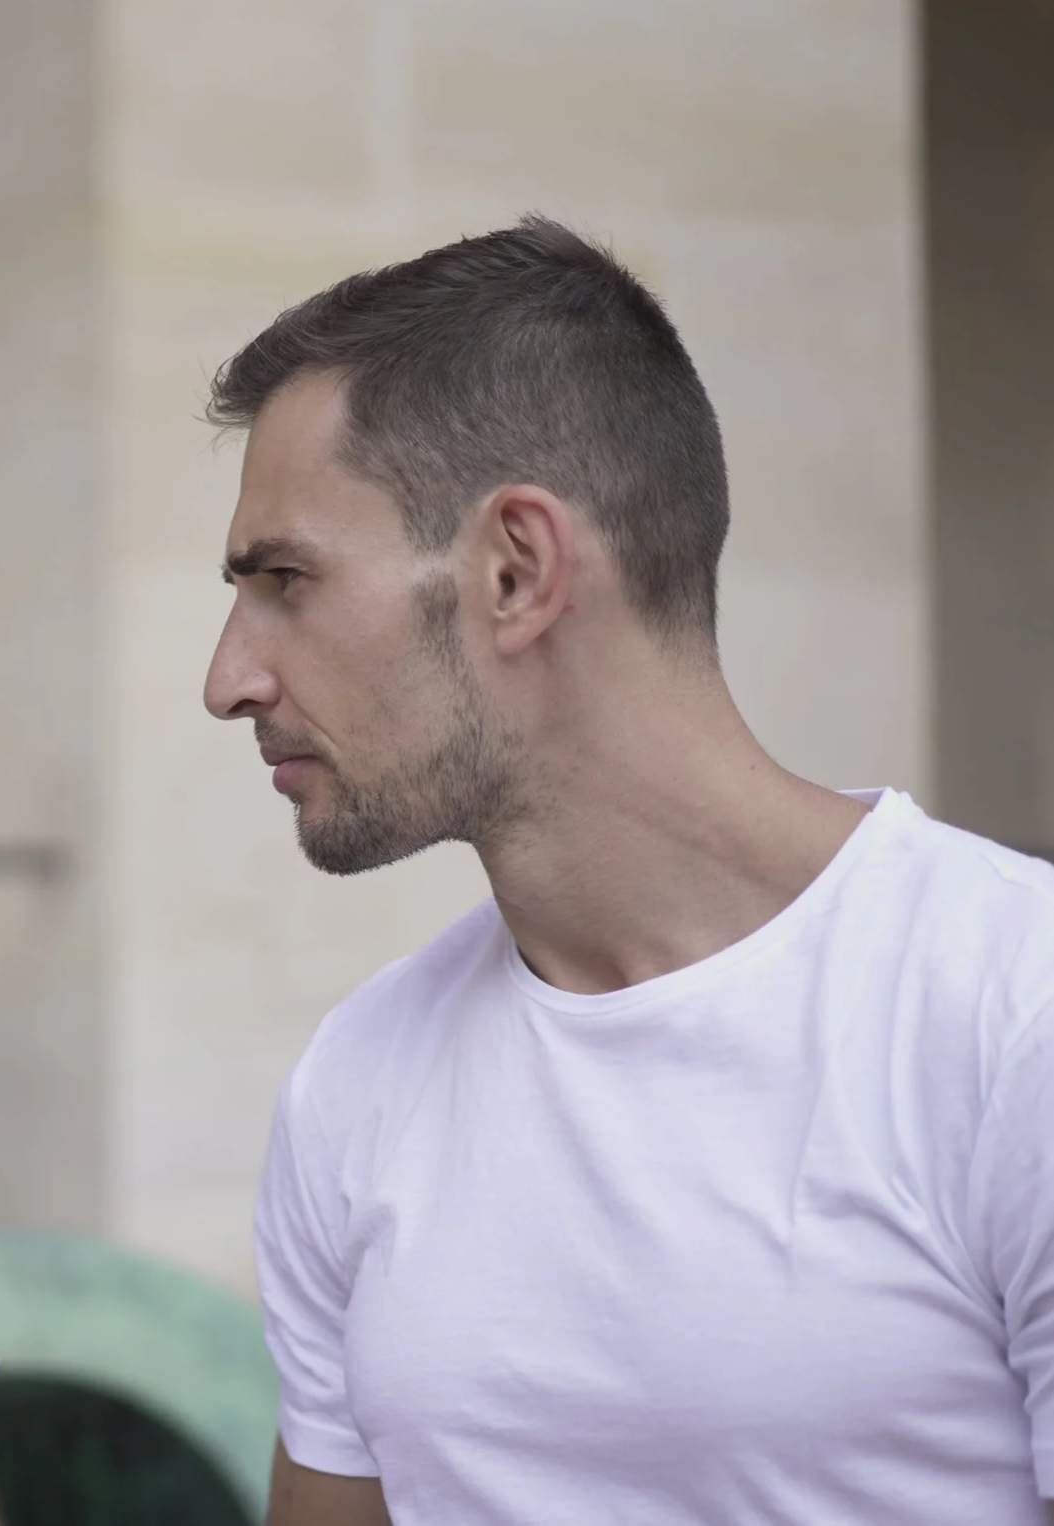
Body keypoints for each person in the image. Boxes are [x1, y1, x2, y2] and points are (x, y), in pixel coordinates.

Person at [203, 218, 1054, 1526]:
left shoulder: (1011, 1008)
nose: (228, 678)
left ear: (516, 570)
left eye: (284, 580)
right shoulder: (354, 1082)